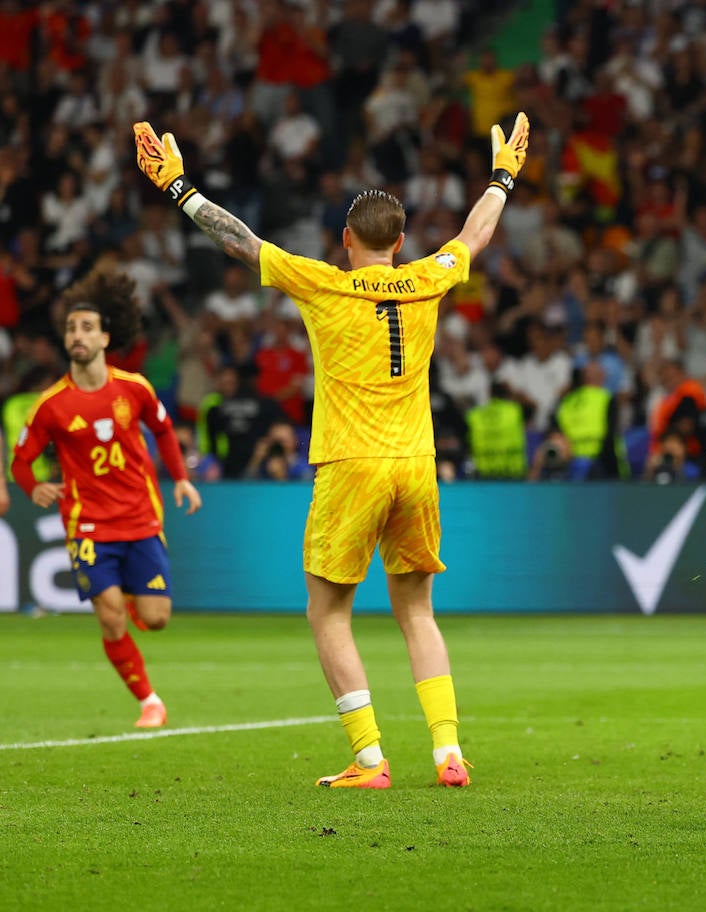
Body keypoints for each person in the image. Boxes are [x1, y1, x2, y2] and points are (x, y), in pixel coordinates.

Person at [133, 111, 530, 789]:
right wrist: (502, 176)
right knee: (417, 612)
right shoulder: (429, 276)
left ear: (346, 239)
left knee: (329, 611)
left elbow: (239, 241)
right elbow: (475, 233)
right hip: (417, 465)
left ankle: (370, 757)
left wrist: (179, 189)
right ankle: (447, 753)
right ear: (400, 242)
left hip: (351, 465)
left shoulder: (323, 283)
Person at [10, 268, 203, 728]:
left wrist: (180, 478)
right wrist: (31, 486)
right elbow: (21, 460)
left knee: (155, 619)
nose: (77, 335)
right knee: (112, 618)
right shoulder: (51, 405)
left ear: (104, 337)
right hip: (88, 524)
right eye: (71, 328)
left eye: (86, 328)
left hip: (140, 517)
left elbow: (162, 428)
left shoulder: (133, 388)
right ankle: (149, 701)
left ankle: (136, 601)